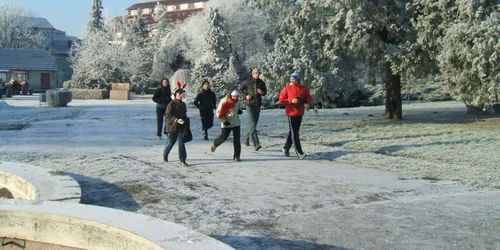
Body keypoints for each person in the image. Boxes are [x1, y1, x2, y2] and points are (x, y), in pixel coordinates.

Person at [278, 72, 312, 160]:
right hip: (291, 113)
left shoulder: (303, 89)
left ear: (298, 79)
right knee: (295, 133)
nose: (292, 80)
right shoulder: (287, 89)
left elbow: (309, 98)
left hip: (300, 113)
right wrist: (291, 101)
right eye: (291, 78)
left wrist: (304, 101)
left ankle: (286, 148)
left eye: (294, 78)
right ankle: (299, 153)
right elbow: (281, 100)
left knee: (293, 132)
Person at [210, 88, 244, 162]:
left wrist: (239, 111)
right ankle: (215, 144)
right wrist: (224, 121)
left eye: (237, 96)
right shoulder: (224, 101)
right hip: (227, 122)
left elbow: (238, 108)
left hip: (236, 122)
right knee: (223, 137)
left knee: (237, 140)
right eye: (234, 96)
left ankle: (236, 156)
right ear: (230, 95)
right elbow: (218, 113)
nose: (236, 98)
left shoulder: (237, 101)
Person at [240, 68, 267, 151]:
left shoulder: (261, 82)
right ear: (252, 74)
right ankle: (256, 144)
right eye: (255, 73)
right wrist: (245, 96)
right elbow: (241, 90)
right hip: (249, 105)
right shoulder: (248, 82)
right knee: (252, 123)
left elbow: (265, 92)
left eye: (258, 73)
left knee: (253, 124)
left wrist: (262, 92)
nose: (257, 74)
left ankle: (246, 137)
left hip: (257, 105)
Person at [163, 88, 189, 167]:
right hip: (172, 128)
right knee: (170, 143)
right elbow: (168, 116)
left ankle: (182, 160)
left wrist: (185, 120)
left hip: (180, 128)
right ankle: (165, 154)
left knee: (181, 143)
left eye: (182, 94)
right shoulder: (171, 104)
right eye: (179, 94)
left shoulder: (183, 105)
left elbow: (184, 115)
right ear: (175, 95)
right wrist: (176, 120)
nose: (181, 95)